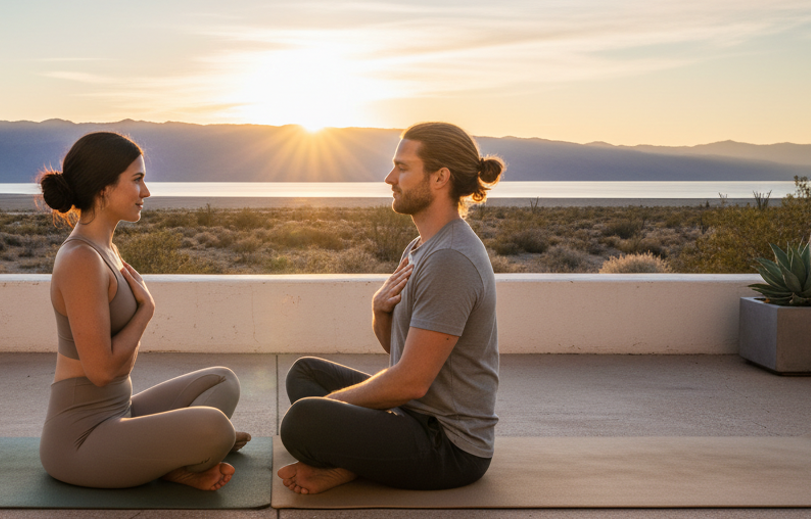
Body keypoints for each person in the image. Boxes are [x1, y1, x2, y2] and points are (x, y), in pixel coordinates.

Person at [278, 122, 504, 495]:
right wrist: (379, 312)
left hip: (448, 447)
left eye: (402, 167)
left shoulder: (450, 258)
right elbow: (400, 352)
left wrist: (331, 406)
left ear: (439, 178)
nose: (389, 178)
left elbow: (411, 380)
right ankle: (355, 461)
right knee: (305, 373)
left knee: (304, 419)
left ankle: (350, 462)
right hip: (410, 414)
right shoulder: (421, 246)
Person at [39, 131, 249, 491]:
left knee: (222, 381)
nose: (146, 192)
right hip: (80, 440)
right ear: (104, 188)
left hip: (122, 412)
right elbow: (102, 371)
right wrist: (145, 311)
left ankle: (168, 457)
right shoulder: (80, 260)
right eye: (137, 180)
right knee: (214, 429)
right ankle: (179, 457)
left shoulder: (106, 249)